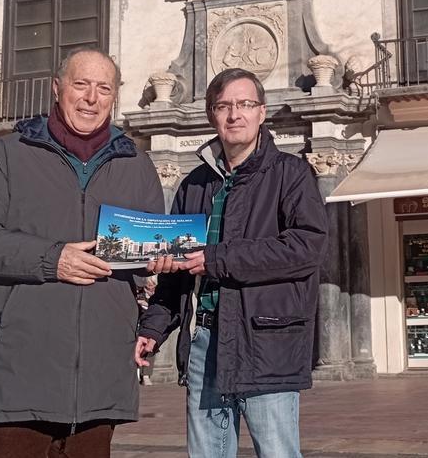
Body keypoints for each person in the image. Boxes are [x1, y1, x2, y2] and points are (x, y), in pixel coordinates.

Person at [0, 47, 168, 457]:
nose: (91, 98)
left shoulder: (136, 165)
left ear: (115, 96)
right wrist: (52, 259)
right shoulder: (8, 154)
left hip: (100, 381)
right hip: (16, 379)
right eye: (81, 84)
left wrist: (161, 263)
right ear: (56, 88)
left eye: (104, 88)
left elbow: (149, 255)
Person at [135, 67, 328, 458]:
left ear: (261, 112)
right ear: (212, 115)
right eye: (223, 106)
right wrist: (153, 327)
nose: (234, 114)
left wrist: (216, 258)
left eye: (245, 104)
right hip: (204, 342)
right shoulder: (193, 184)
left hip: (266, 343)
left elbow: (306, 247)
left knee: (277, 453)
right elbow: (176, 272)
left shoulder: (291, 174)